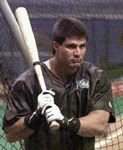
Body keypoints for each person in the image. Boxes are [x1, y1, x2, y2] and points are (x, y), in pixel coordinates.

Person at [3, 17, 116, 150]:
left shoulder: (96, 77)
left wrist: (65, 121)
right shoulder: (26, 82)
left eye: (82, 46)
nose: (78, 53)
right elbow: (11, 134)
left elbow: (99, 125)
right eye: (71, 46)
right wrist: (36, 116)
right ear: (56, 46)